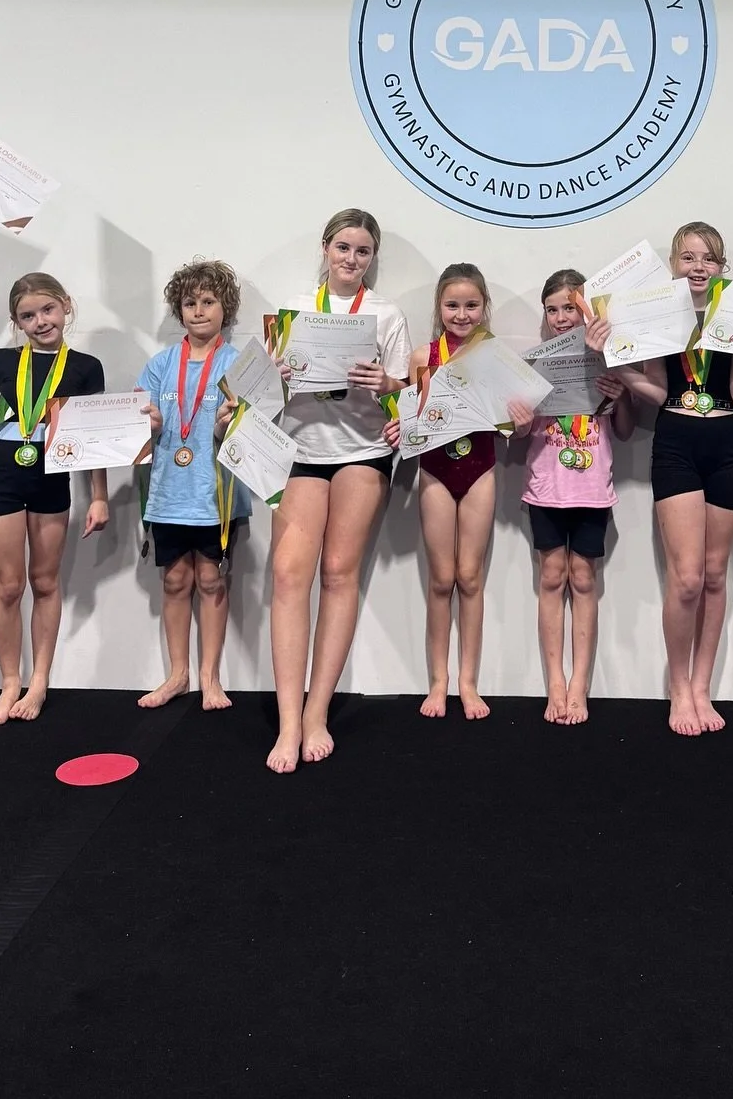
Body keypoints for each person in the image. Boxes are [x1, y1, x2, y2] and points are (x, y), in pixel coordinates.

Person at [587, 223, 733, 736]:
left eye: (709, 258)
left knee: (713, 575)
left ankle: (702, 686)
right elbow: (658, 392)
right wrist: (612, 358)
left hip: (728, 444)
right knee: (685, 579)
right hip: (677, 443)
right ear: (673, 265)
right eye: (688, 257)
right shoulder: (658, 313)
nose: (699, 266)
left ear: (722, 267)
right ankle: (678, 687)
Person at [266, 209, 411, 774]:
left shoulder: (386, 313)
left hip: (362, 452)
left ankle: (317, 712)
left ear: (372, 258)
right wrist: (273, 378)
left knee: (338, 574)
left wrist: (389, 384)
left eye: (363, 251)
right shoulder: (294, 310)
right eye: (343, 247)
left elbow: (405, 399)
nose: (352, 259)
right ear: (326, 248)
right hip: (300, 450)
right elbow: (261, 394)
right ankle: (288, 721)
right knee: (287, 577)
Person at [0, 274, 108, 724]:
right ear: (16, 322)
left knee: (45, 581)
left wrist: (99, 497)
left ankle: (38, 682)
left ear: (65, 305)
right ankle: (9, 682)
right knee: (8, 586)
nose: (40, 321)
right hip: (1, 474)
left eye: (47, 310)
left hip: (52, 476)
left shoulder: (86, 367)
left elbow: (92, 437)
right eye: (28, 316)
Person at [388, 263, 505, 722]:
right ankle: (438, 681)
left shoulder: (495, 355)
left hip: (480, 469)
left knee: (470, 577)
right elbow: (408, 416)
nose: (461, 314)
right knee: (441, 579)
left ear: (484, 307)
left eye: (471, 305)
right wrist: (397, 427)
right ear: (439, 307)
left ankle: (467, 683)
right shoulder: (422, 356)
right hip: (435, 471)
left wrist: (519, 417)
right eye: (452, 305)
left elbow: (511, 422)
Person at [520, 269, 633, 725]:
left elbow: (625, 431)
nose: (562, 317)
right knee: (551, 577)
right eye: (553, 310)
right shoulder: (532, 365)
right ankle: (555, 683)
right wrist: (520, 416)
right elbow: (518, 435)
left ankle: (579, 685)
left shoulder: (609, 360)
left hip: (592, 488)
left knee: (584, 580)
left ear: (587, 310)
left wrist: (622, 396)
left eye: (570, 307)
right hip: (546, 487)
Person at [136, 258, 248, 711]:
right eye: (189, 303)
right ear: (178, 310)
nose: (198, 311)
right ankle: (177, 675)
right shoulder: (160, 364)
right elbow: (136, 429)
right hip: (168, 493)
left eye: (208, 301)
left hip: (216, 493)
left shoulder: (238, 364)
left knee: (212, 581)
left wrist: (227, 425)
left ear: (226, 308)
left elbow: (254, 431)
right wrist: (148, 423)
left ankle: (210, 678)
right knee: (175, 581)